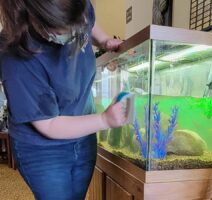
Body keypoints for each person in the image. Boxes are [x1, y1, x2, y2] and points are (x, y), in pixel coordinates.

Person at [0, 0, 126, 199]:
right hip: (41, 147)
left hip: (83, 133)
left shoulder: (74, 6)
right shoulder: (16, 57)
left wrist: (104, 40)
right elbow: (49, 125)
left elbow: (89, 21)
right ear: (38, 21)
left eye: (78, 26)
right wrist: (104, 120)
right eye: (66, 31)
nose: (78, 33)